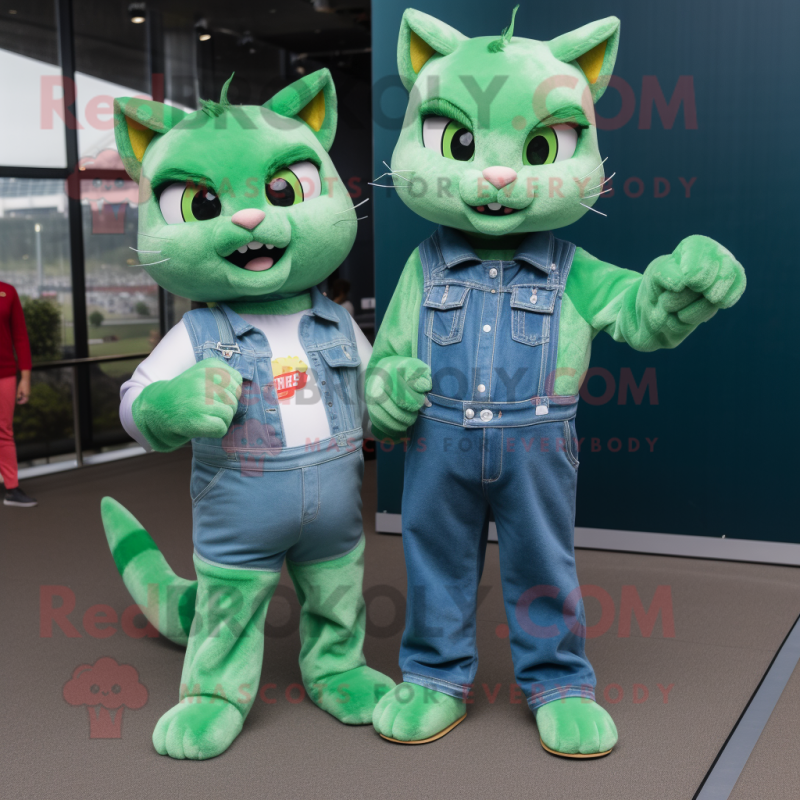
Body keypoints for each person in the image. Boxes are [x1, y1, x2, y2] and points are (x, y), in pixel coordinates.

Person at [0, 281, 37, 507]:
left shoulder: (8, 291)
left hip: (4, 375)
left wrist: (25, 377)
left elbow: (20, 337)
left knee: (4, 431)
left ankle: (12, 489)